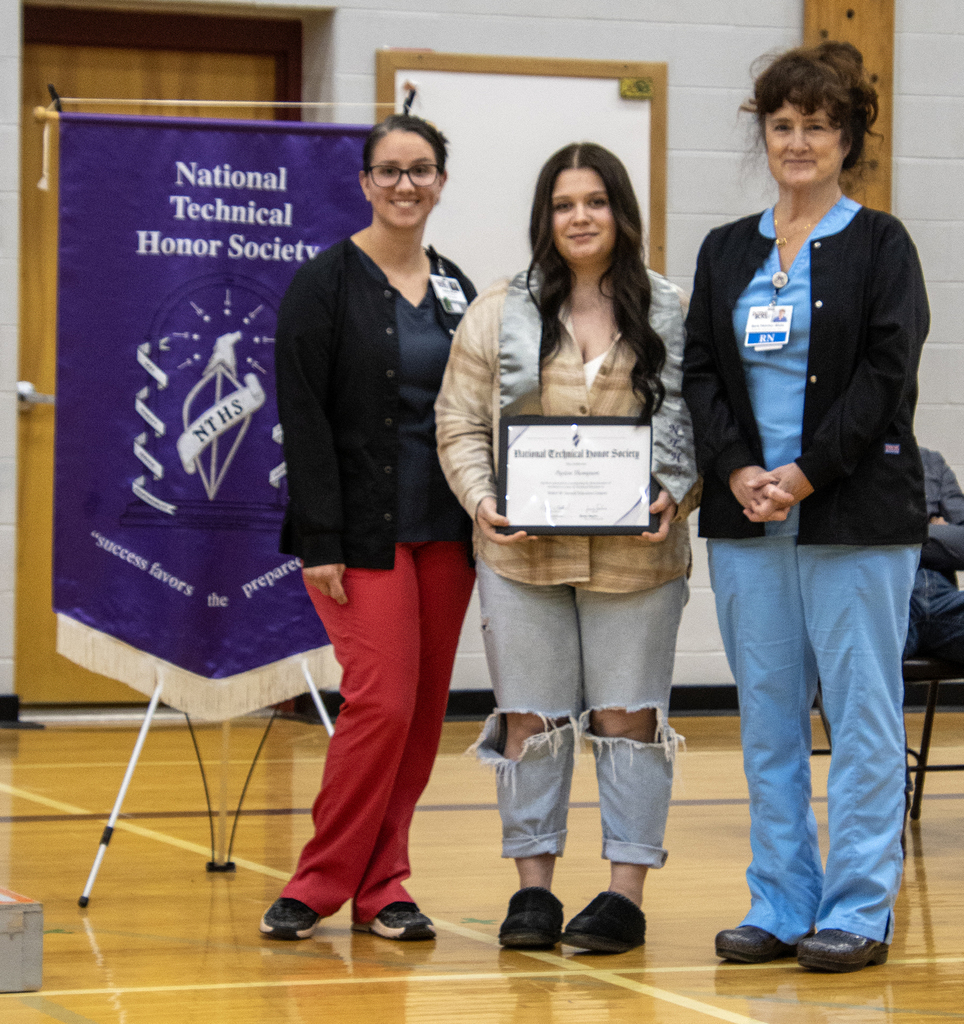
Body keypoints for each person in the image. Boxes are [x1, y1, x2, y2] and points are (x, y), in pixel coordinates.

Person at [682, 42, 930, 973]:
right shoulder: (725, 250)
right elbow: (700, 372)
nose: (797, 142)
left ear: (847, 139)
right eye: (782, 125)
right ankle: (781, 902)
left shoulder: (882, 244)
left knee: (862, 716)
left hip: (853, 515)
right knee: (768, 718)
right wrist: (738, 468)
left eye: (817, 127)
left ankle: (858, 909)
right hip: (749, 519)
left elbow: (886, 375)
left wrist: (807, 473)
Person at [436, 142, 699, 954]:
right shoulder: (497, 309)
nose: (579, 217)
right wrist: (481, 498)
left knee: (628, 721)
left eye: (594, 201)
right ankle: (534, 892)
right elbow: (458, 420)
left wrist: (675, 488)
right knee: (531, 720)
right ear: (544, 218)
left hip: (637, 560)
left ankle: (623, 895)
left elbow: (701, 420)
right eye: (563, 204)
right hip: (523, 558)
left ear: (621, 211)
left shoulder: (672, 309)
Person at [261, 114, 477, 942]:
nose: (405, 185)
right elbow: (303, 417)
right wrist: (320, 537)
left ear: (441, 182)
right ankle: (317, 882)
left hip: (447, 533)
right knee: (381, 704)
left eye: (421, 170)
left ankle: (384, 886)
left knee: (420, 715)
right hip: (357, 536)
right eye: (389, 171)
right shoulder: (323, 284)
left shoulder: (457, 287)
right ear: (364, 183)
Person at [906, 447, 964, 663]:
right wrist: (936, 528)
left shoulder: (932, 462)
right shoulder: (848, 461)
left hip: (946, 600)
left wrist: (901, 534)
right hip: (893, 598)